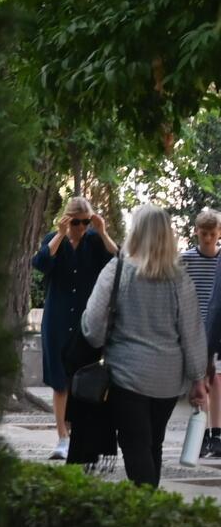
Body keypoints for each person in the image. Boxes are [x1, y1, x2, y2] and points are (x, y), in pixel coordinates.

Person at [82, 203, 212, 487]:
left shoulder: (117, 271)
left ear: (135, 232)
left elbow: (92, 328)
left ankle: (146, 512)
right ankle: (151, 508)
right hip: (168, 381)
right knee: (154, 442)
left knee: (134, 443)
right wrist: (198, 379)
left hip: (127, 376)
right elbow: (192, 333)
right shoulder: (180, 279)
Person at [33, 196, 116, 460]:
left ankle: (81, 436)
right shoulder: (53, 240)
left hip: (86, 323)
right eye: (76, 222)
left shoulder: (94, 241)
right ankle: (62, 436)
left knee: (84, 379)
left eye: (85, 222)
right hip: (58, 321)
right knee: (60, 381)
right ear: (67, 219)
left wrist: (102, 232)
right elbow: (40, 263)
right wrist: (60, 234)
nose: (81, 228)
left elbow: (121, 260)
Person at [193, 208, 221, 460]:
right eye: (204, 234)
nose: (209, 239)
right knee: (200, 383)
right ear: (196, 233)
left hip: (215, 328)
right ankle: (204, 434)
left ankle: (214, 433)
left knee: (215, 380)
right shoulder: (187, 260)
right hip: (194, 328)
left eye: (213, 234)